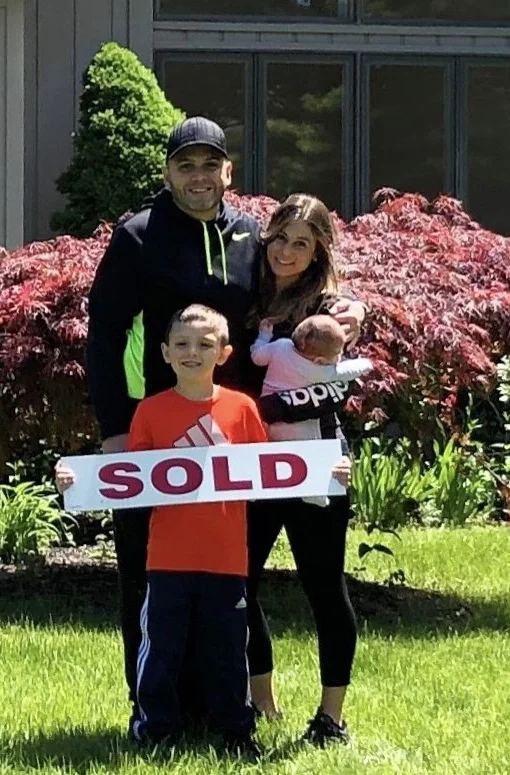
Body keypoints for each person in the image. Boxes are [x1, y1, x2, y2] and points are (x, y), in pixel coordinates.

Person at [85, 116, 366, 720]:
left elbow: (299, 292)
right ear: (167, 172)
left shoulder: (248, 236)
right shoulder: (137, 235)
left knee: (222, 574)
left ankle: (221, 701)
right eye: (185, 165)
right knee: (151, 570)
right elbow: (104, 337)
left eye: (210, 165)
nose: (198, 177)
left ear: (227, 172)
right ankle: (152, 704)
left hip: (243, 437)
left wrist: (347, 308)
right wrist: (115, 427)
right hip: (157, 433)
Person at [58, 305, 353, 756]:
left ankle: (236, 730)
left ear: (224, 353)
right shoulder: (151, 413)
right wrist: (79, 482)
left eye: (204, 344)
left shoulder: (242, 409)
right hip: (167, 560)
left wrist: (326, 471)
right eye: (181, 344)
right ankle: (155, 729)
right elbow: (132, 481)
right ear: (164, 352)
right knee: (161, 649)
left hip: (227, 558)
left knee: (228, 650)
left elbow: (271, 472)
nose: (191, 352)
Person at [246, 193, 365, 746]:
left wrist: (354, 309)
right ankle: (261, 704)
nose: (286, 252)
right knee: (238, 582)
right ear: (266, 236)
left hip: (317, 465)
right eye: (280, 238)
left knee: (323, 585)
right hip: (250, 463)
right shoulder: (249, 286)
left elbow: (332, 390)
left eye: (302, 243)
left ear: (319, 251)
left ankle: (331, 718)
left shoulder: (332, 310)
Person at [250, 313, 373, 506]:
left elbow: (257, 356)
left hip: (268, 418)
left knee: (268, 457)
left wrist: (264, 336)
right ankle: (313, 490)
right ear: (319, 360)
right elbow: (345, 372)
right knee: (309, 450)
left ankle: (256, 491)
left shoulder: (280, 346)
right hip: (297, 426)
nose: (339, 358)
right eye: (337, 355)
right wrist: (365, 364)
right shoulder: (320, 370)